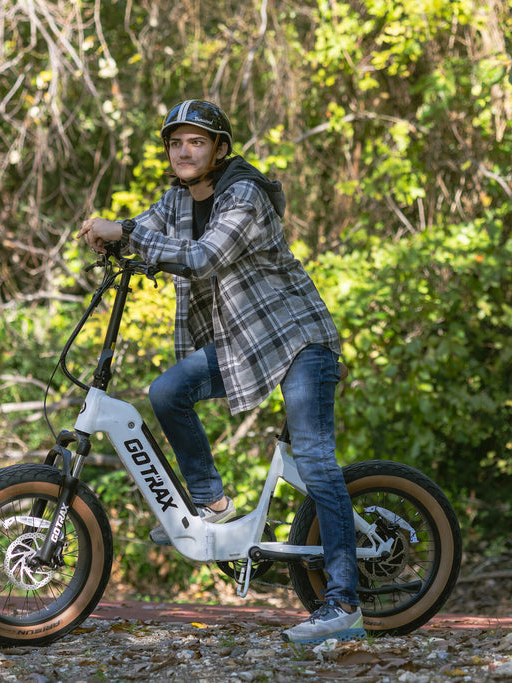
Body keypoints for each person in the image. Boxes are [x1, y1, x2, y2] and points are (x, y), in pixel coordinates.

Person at [77, 100, 363, 644]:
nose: (183, 151)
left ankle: (344, 605)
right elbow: (140, 228)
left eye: (197, 142)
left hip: (298, 340)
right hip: (243, 347)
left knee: (316, 459)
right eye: (175, 143)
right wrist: (109, 234)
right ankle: (212, 505)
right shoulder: (178, 200)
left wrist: (125, 233)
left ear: (220, 150)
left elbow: (204, 256)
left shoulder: (244, 195)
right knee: (167, 392)